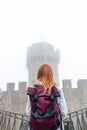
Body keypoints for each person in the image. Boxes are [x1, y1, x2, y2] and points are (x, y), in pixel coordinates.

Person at [26, 64, 67, 130]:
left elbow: (28, 111)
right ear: (51, 75)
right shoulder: (57, 89)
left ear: (39, 74)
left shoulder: (32, 90)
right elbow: (64, 112)